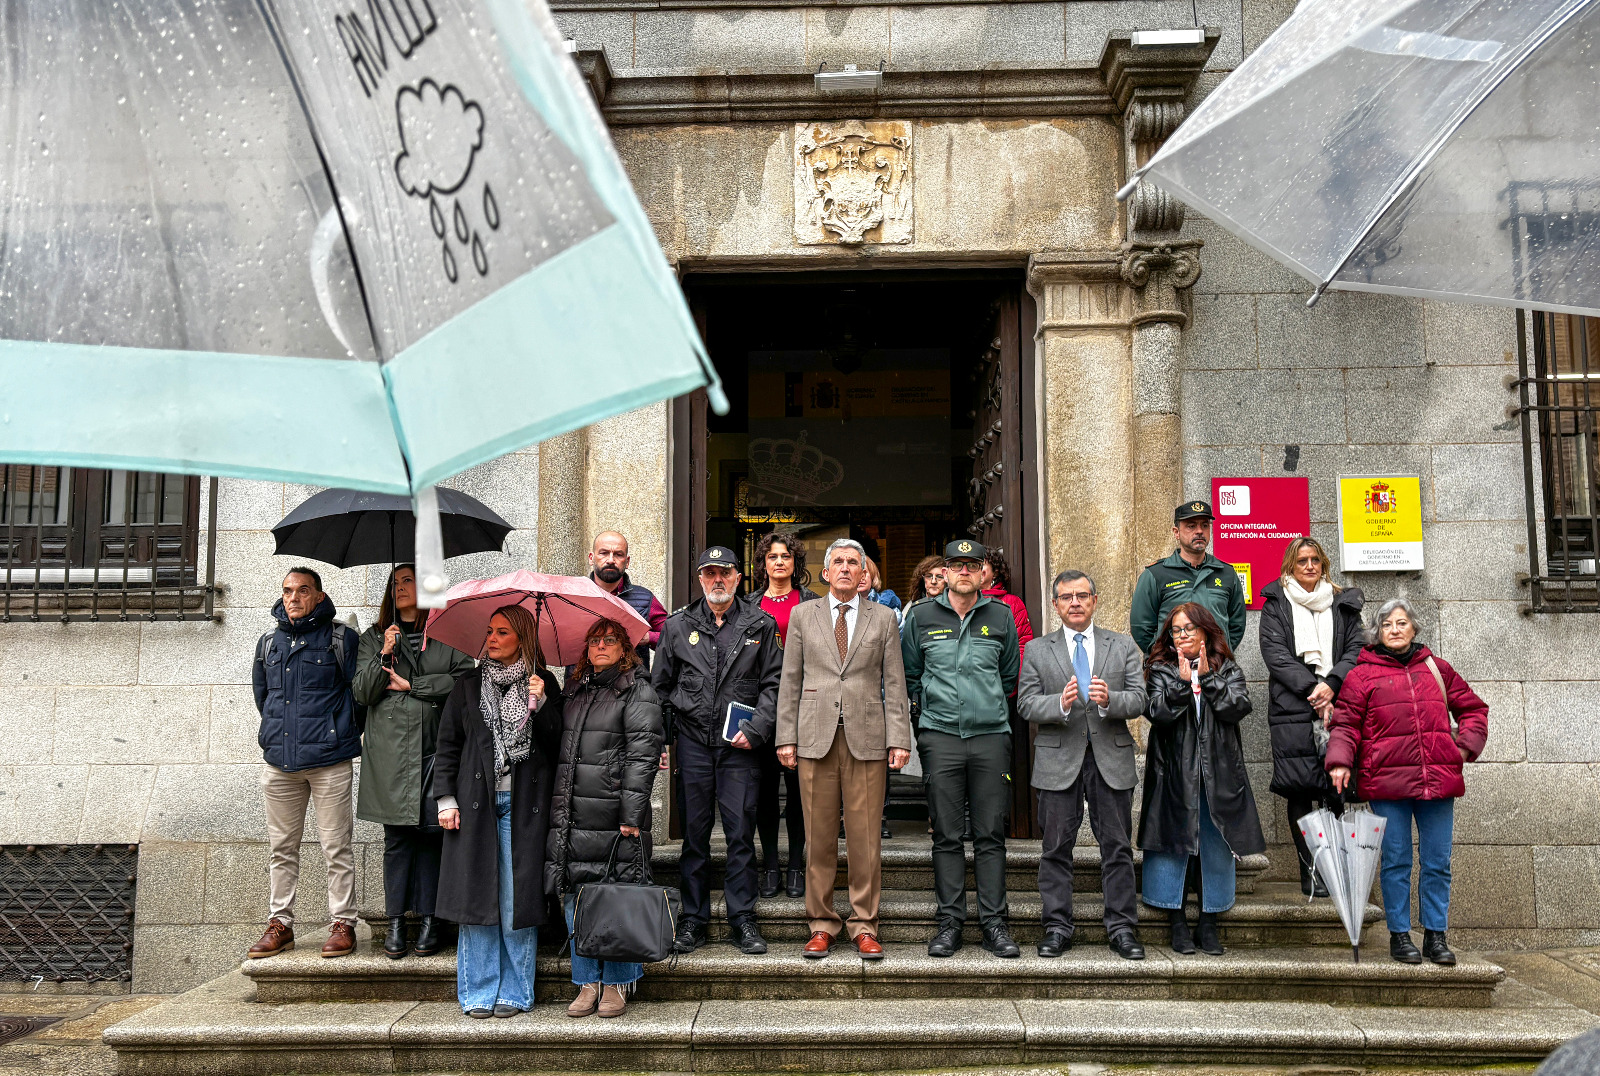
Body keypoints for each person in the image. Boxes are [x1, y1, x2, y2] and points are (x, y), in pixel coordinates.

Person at [1326, 598, 1488, 966]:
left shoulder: (1437, 667)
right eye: (1387, 625)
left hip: (1437, 781)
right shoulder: (1362, 674)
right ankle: (1400, 935)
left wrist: (1464, 748)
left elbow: (1474, 710)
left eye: (1401, 623)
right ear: (1377, 632)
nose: (1395, 630)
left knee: (1437, 861)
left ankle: (1435, 936)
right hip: (1387, 783)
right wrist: (1339, 762)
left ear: (1414, 628)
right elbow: (1346, 723)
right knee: (1396, 860)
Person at [774, 538, 912, 960]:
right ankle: (821, 923)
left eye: (854, 562)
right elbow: (790, 680)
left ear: (863, 572)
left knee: (865, 837)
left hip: (867, 738)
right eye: (839, 562)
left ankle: (864, 924)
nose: (847, 568)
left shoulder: (884, 617)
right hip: (815, 737)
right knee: (817, 839)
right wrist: (786, 736)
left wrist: (899, 738)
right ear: (826, 571)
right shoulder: (802, 615)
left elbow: (895, 681)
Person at [652, 546, 783, 955]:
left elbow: (775, 684)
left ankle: (743, 918)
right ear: (701, 579)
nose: (718, 580)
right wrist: (661, 739)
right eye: (710, 574)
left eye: (725, 572)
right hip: (692, 745)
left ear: (738, 577)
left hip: (740, 749)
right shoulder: (678, 626)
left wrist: (758, 728)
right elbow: (659, 689)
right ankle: (694, 919)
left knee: (741, 834)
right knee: (694, 836)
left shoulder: (760, 625)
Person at [434, 606, 562, 1018]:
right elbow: (448, 745)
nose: (491, 638)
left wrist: (539, 705)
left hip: (524, 807)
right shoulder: (468, 685)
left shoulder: (544, 685)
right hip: (475, 807)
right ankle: (477, 991)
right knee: (477, 898)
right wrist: (445, 800)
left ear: (521, 638)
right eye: (489, 631)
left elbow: (557, 744)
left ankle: (516, 990)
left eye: (502, 632)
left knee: (515, 901)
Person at [1018, 570, 1148, 960]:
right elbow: (1025, 704)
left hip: (1111, 757)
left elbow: (1140, 699)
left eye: (1082, 595)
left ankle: (1122, 928)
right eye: (1066, 597)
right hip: (1059, 760)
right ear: (1056, 604)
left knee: (1118, 847)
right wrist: (1059, 703)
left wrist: (1111, 700)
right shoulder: (1039, 650)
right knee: (1055, 848)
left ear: (1094, 600)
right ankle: (1057, 927)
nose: (1075, 602)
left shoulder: (1122, 646)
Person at [902, 539, 1022, 959]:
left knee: (990, 834)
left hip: (991, 737)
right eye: (957, 565)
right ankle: (950, 922)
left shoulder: (1002, 616)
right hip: (941, 737)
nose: (965, 572)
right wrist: (926, 725)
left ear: (983, 571)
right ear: (947, 571)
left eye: (973, 565)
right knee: (947, 836)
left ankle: (994, 923)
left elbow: (1009, 676)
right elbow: (911, 676)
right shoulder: (919, 618)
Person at [353, 565, 474, 960]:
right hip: (391, 754)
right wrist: (386, 652)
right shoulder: (374, 637)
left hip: (435, 748)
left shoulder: (446, 635)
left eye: (410, 581)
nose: (401, 588)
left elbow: (465, 682)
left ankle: (430, 919)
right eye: (396, 582)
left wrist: (414, 685)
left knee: (432, 836)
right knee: (398, 839)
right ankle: (394, 922)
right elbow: (364, 692)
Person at [547, 619, 665, 1019]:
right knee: (574, 896)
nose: (600, 646)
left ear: (624, 647)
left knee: (618, 893)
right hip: (573, 813)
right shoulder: (576, 689)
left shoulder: (638, 690)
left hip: (614, 813)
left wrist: (632, 815)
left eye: (609, 640)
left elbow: (643, 755)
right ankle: (586, 983)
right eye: (594, 640)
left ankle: (617, 983)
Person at [1138, 603, 1264, 957]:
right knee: (1173, 846)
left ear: (1207, 632)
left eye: (1190, 629)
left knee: (1213, 847)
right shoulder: (1160, 669)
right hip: (1173, 775)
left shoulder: (1228, 669)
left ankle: (1209, 925)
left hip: (1217, 775)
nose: (1183, 636)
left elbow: (1238, 707)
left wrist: (1207, 678)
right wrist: (1181, 684)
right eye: (1177, 630)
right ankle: (1177, 923)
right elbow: (1157, 713)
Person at [248, 567, 361, 960]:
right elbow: (264, 699)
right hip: (280, 763)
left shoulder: (341, 639)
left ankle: (343, 922)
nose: (293, 598)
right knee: (282, 848)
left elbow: (358, 695)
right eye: (287, 591)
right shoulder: (268, 642)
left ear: (318, 595)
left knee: (336, 847)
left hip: (329, 761)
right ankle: (281, 924)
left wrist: (335, 731)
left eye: (302, 591)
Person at [1257, 537, 1365, 897]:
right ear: (1290, 565)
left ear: (1324, 564)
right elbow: (1275, 654)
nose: (1309, 566)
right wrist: (1313, 689)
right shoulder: (1276, 604)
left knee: (1336, 789)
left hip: (1339, 703)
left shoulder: (1343, 604)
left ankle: (1334, 871)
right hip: (1293, 708)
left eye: (1315, 559)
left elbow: (1357, 648)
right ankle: (1311, 873)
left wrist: (1332, 684)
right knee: (1299, 789)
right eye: (1301, 560)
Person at [750, 531, 819, 898]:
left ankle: (795, 865)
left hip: (804, 708)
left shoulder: (811, 603)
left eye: (786, 556)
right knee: (763, 795)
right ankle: (771, 865)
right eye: (772, 556)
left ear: (795, 563)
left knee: (797, 795)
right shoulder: (747, 605)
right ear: (763, 563)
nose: (779, 562)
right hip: (762, 708)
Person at [1130, 500, 1247, 653]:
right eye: (1191, 526)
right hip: (1170, 670)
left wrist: (1219, 652)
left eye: (1205, 525)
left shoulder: (1226, 573)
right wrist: (1164, 656)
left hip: (1216, 668)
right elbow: (1141, 627)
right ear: (1176, 532)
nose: (1199, 531)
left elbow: (1236, 625)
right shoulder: (1156, 574)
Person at [588, 531, 668, 663]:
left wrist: (649, 637)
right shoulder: (576, 594)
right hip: (582, 681)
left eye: (618, 555)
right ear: (591, 558)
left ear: (627, 562)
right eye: (604, 553)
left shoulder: (645, 599)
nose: (611, 560)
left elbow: (673, 636)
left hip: (632, 681)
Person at [980, 548, 1034, 659]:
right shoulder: (963, 601)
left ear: (995, 572)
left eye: (982, 565)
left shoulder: (1012, 602)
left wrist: (1014, 675)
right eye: (973, 566)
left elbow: (1022, 644)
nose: (976, 570)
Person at [863, 556, 904, 623]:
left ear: (872, 575)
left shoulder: (888, 605)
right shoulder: (842, 608)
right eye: (858, 573)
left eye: (865, 573)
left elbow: (899, 632)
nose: (862, 577)